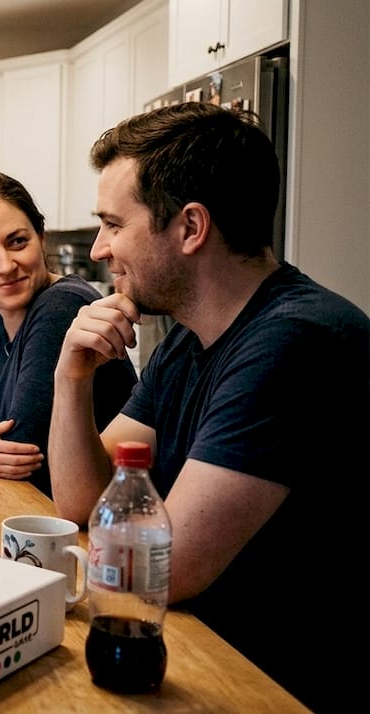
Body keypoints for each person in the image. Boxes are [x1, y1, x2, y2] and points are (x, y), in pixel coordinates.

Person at [48, 102, 368, 712]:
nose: (98, 249)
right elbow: (81, 503)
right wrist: (72, 377)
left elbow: (171, 569)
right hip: (198, 647)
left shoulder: (294, 341)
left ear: (191, 228)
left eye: (114, 224)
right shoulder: (192, 339)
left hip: (266, 685)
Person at [0, 172, 136, 497]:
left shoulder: (62, 304)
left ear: (40, 237)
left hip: (98, 518)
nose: (5, 266)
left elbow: (23, 451)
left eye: (17, 242)